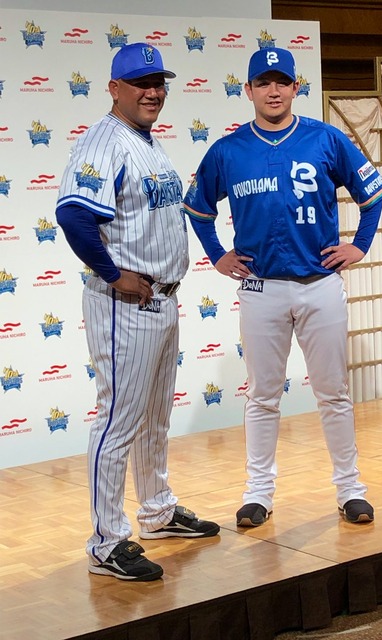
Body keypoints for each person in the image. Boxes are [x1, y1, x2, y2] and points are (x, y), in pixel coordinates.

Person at [183, 47, 382, 528]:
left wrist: (359, 245)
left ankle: (350, 489)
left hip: (320, 284)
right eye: (263, 82)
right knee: (262, 396)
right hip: (261, 288)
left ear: (297, 87)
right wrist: (217, 254)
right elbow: (198, 209)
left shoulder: (325, 138)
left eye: (282, 81)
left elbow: (373, 193)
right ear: (248, 90)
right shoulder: (229, 151)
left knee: (334, 393)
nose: (273, 91)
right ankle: (258, 493)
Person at [56, 43, 219, 582]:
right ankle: (106, 542)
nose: (153, 92)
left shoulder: (146, 140)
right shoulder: (104, 142)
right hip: (125, 303)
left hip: (161, 298)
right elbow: (73, 215)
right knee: (118, 419)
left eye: (158, 83)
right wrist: (111, 273)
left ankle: (157, 511)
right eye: (140, 83)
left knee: (154, 416)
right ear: (114, 88)